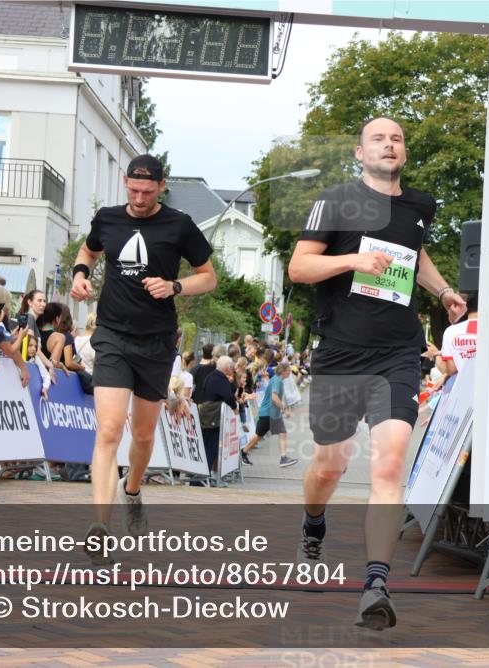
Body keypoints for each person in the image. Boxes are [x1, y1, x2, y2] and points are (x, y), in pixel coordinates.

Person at [288, 116, 466, 630]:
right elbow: (300, 268)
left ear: (404, 153)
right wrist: (351, 261)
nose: (389, 145)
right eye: (378, 139)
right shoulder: (334, 201)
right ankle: (313, 521)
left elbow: (415, 253)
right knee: (330, 466)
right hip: (341, 354)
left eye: (397, 139)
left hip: (397, 353)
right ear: (359, 151)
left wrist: (441, 290)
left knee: (389, 466)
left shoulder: (420, 205)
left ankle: (376, 585)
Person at [69, 154, 216, 562]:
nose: (138, 198)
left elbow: (209, 276)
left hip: (155, 341)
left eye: (147, 192)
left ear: (161, 187)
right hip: (113, 335)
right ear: (125, 182)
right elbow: (88, 250)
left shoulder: (179, 224)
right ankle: (100, 525)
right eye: (132, 190)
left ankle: (132, 490)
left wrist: (175, 286)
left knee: (145, 435)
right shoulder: (109, 218)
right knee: (110, 429)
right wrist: (80, 275)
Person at [240, 360, 297, 468]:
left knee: (271, 434)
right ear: (283, 371)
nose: (290, 373)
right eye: (288, 371)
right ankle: (243, 452)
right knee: (260, 435)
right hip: (269, 413)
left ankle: (283, 458)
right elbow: (274, 397)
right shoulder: (277, 381)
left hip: (271, 413)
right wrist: (284, 408)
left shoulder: (276, 380)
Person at [196, 355, 237, 475]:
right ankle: (203, 476)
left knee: (207, 446)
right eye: (231, 367)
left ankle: (201, 476)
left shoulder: (212, 376)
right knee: (210, 447)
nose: (232, 369)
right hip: (212, 418)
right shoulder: (219, 379)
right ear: (227, 368)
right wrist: (235, 408)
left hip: (207, 415)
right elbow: (228, 396)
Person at [437, 290, 478, 387]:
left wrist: (436, 356)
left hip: (461, 390)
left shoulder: (451, 331)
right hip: (488, 389)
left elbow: (451, 369)